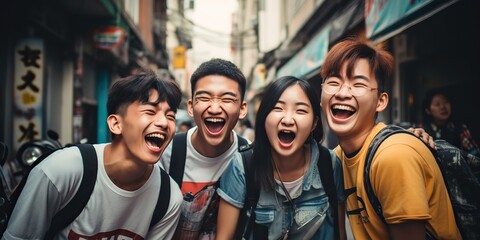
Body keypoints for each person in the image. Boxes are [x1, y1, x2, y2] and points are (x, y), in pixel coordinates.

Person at [3, 70, 183, 239]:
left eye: (170, 116)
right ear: (115, 124)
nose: (164, 122)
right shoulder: (60, 171)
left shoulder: (168, 198)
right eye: (150, 112)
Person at [319, 38, 461, 239]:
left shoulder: (393, 156)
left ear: (381, 101)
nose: (342, 93)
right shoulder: (337, 158)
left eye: (358, 84)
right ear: (321, 95)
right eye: (334, 82)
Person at [217, 76, 347, 240]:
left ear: (314, 123)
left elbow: (340, 233)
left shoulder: (329, 164)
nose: (287, 120)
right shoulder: (242, 166)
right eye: (278, 109)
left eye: (300, 111)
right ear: (264, 117)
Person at [158, 58, 248, 239]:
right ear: (191, 107)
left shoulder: (250, 157)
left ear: (242, 109)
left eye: (227, 99)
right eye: (204, 98)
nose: (214, 108)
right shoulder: (166, 153)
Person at [422, 88, 480, 157]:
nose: (443, 107)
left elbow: (475, 155)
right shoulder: (423, 130)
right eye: (437, 104)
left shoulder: (460, 128)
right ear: (428, 110)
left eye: (446, 102)